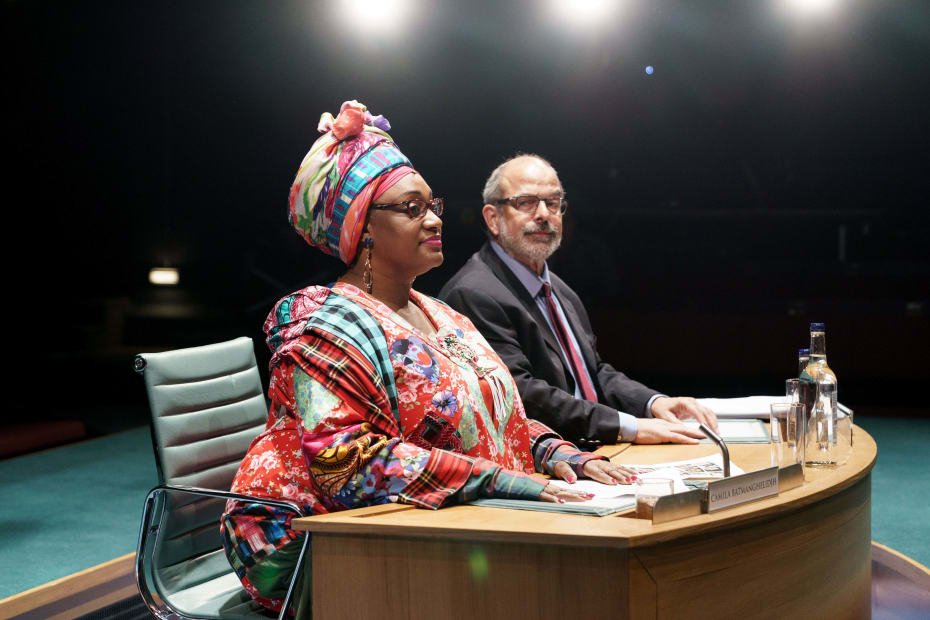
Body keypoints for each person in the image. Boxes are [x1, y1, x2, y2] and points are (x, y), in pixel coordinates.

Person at [220, 103, 636, 613]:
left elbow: (495, 415)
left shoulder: (440, 314)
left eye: (431, 203)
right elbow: (346, 466)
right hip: (311, 540)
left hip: (419, 520)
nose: (435, 218)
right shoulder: (323, 331)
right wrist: (501, 481)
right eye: (411, 208)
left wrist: (562, 456)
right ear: (363, 229)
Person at [439, 154, 718, 450]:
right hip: (549, 463)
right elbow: (522, 395)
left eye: (553, 202)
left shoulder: (558, 288)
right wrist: (631, 427)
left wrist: (653, 402)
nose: (544, 214)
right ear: (493, 218)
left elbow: (593, 373)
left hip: (597, 448)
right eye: (526, 203)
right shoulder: (473, 294)